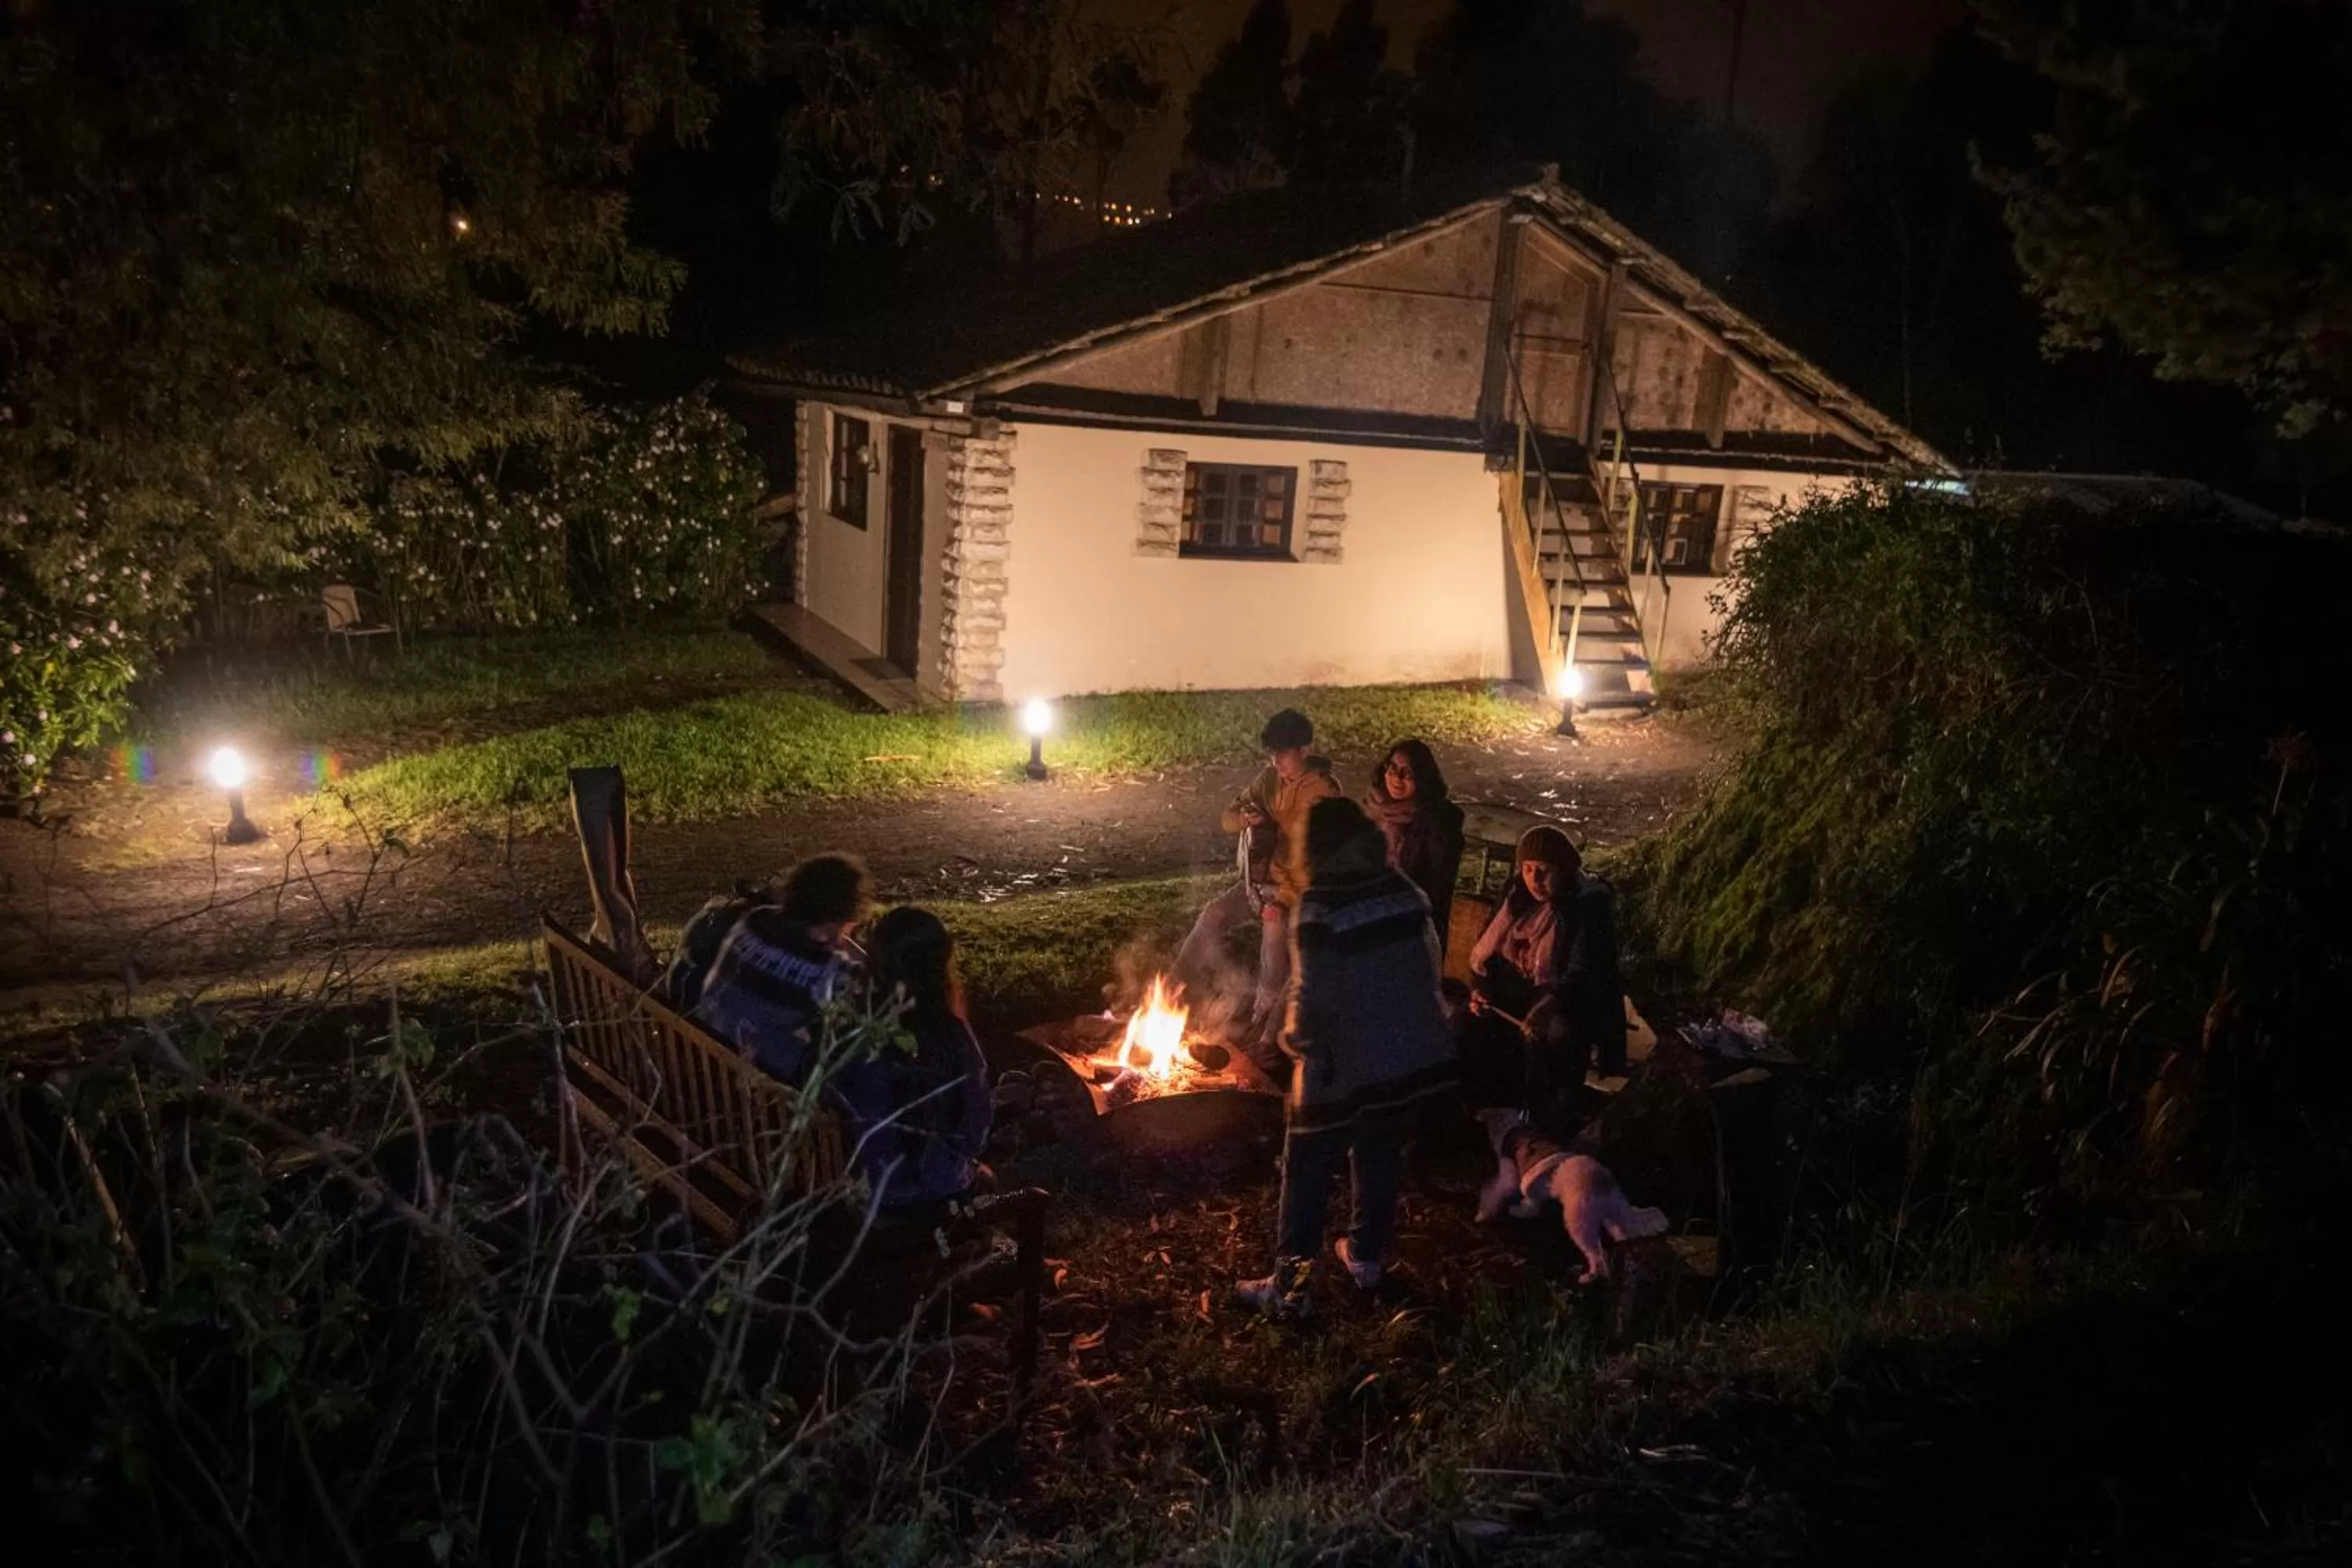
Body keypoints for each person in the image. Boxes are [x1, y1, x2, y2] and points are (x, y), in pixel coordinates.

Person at [1234, 798, 1457, 1319]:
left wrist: (1294, 1044)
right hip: (1412, 1055)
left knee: (1307, 1166)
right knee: (1379, 1150)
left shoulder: (1321, 905)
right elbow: (1430, 963)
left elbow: (1314, 1001)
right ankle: (1366, 1259)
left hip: (1349, 1061)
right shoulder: (1405, 889)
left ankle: (1291, 1290)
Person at [1173, 707, 1341, 1042]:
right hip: (1259, 881)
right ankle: (1173, 987)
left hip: (1301, 893)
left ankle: (1263, 1027)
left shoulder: (1324, 793)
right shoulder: (1269, 781)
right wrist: (1243, 820)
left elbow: (1318, 861)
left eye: (1282, 755)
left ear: (1304, 751)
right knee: (1213, 913)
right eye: (1272, 755)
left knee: (1274, 927)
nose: (1275, 763)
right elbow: (1228, 816)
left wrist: (1283, 900)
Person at [1457, 826, 1623, 1135]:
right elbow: (1487, 952)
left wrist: (1549, 1004)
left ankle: (1546, 1124)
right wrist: (1480, 990)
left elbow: (1583, 972)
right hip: (1515, 987)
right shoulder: (1515, 895)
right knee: (1466, 1023)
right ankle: (1479, 1113)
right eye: (1528, 869)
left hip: (1562, 996)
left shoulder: (1586, 906)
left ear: (1563, 871)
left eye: (1544, 871)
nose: (1534, 880)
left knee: (1556, 1036)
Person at [829, 906, 992, 1214]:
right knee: (985, 1180)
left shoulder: (847, 1024)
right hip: (905, 1205)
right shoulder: (948, 1037)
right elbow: (976, 1126)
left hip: (848, 1188)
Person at [693, 853, 871, 1083]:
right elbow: (878, 993)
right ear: (844, 915)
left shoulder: (754, 921)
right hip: (756, 1092)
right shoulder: (827, 974)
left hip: (706, 1063)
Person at [1362, 738, 1467, 949]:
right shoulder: (1372, 810)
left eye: (1407, 773)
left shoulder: (1438, 824)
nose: (1397, 778)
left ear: (1423, 778)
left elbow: (1436, 891)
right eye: (1392, 768)